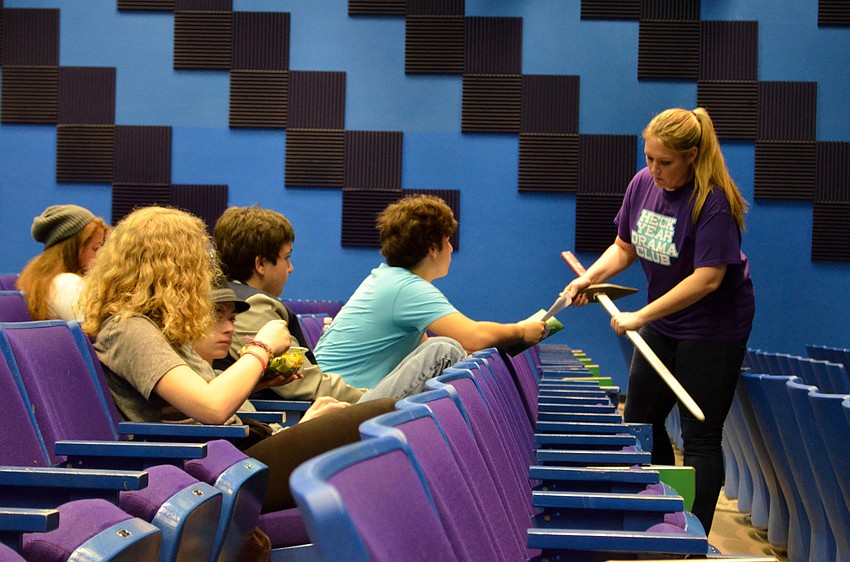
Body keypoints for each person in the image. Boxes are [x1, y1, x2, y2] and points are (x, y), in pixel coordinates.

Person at [80, 206, 396, 513]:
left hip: (234, 452)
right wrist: (261, 348)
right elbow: (212, 408)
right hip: (214, 473)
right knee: (385, 412)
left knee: (380, 431)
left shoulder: (162, 329)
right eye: (198, 264)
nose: (206, 275)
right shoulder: (130, 330)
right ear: (169, 269)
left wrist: (269, 400)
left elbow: (200, 401)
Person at [562, 107, 755, 533]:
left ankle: (693, 539)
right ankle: (663, 516)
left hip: (713, 328)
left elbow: (707, 280)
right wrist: (590, 280)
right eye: (649, 158)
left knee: (700, 436)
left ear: (691, 156)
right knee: (641, 422)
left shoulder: (713, 201)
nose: (654, 169)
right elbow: (624, 247)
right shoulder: (642, 183)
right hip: (666, 321)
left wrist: (640, 315)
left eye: (664, 162)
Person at [314, 194, 546, 392]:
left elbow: (435, 344)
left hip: (338, 396)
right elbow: (474, 336)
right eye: (448, 241)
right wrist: (522, 331)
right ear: (432, 248)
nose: (452, 248)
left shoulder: (389, 279)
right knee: (445, 350)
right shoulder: (407, 288)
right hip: (340, 403)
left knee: (445, 348)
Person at [212, 206, 365, 403]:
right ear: (260, 264)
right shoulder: (251, 306)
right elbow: (304, 385)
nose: (291, 268)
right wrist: (370, 400)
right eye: (286, 258)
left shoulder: (239, 298)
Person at [16, 204, 107, 321]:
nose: (100, 256)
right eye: (95, 248)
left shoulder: (46, 276)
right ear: (73, 249)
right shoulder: (67, 285)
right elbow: (99, 331)